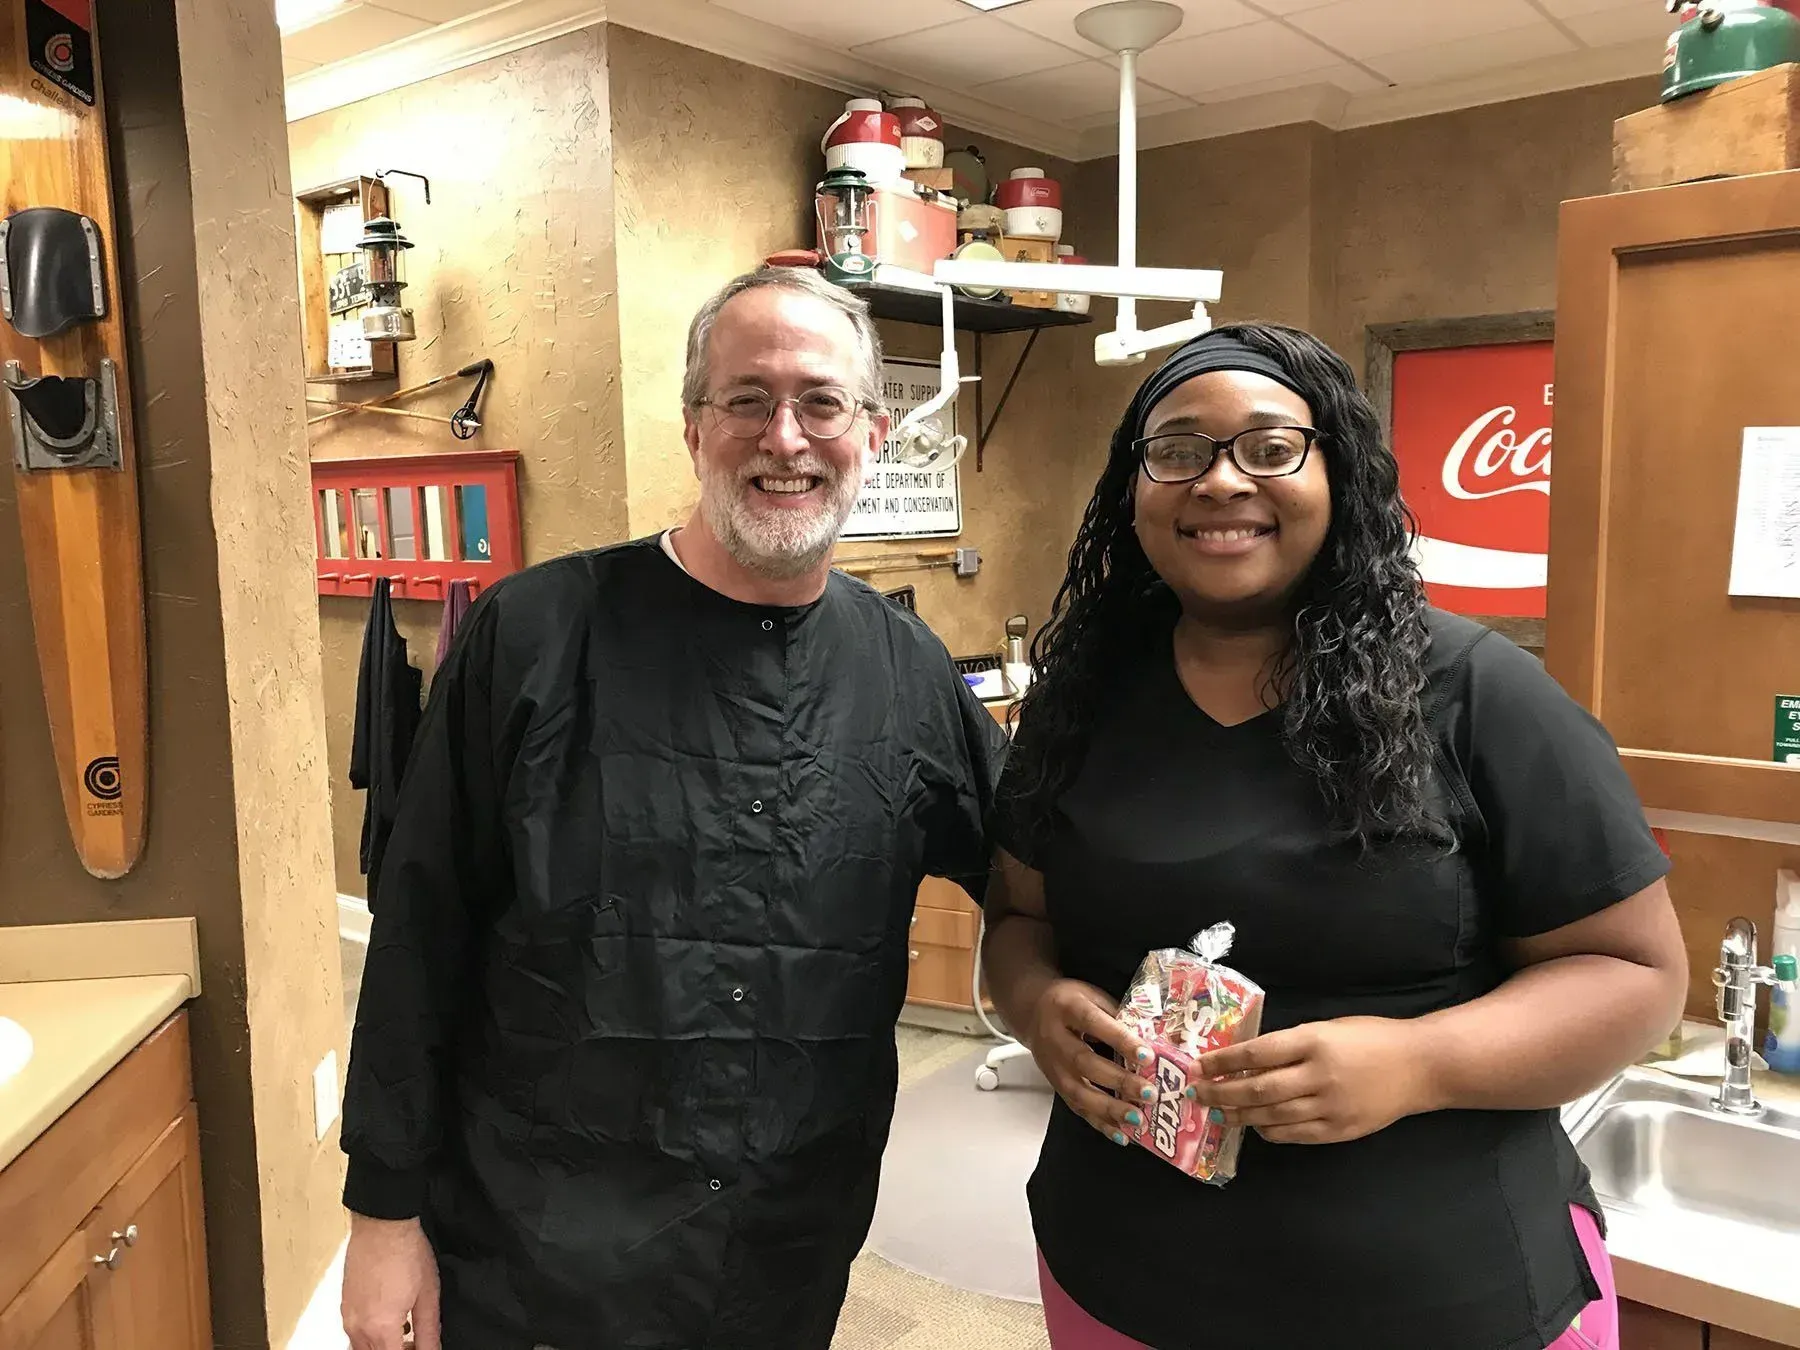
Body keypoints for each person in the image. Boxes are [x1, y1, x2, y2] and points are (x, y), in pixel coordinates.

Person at [339, 267, 1007, 1350]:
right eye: (746, 399)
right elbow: (419, 934)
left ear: (873, 433)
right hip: (536, 1248)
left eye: (821, 403)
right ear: (696, 428)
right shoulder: (535, 635)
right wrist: (383, 1214)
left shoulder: (908, 673)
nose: (785, 438)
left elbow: (1045, 868)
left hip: (782, 1242)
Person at [983, 324, 1688, 1350]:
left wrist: (1420, 1063)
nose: (1221, 482)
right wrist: (1039, 1002)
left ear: (1338, 471)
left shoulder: (1479, 694)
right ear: (1133, 489)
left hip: (1436, 1292)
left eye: (1271, 448)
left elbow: (1634, 974)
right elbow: (1019, 920)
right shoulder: (1078, 705)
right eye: (1179, 450)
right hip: (1121, 1276)